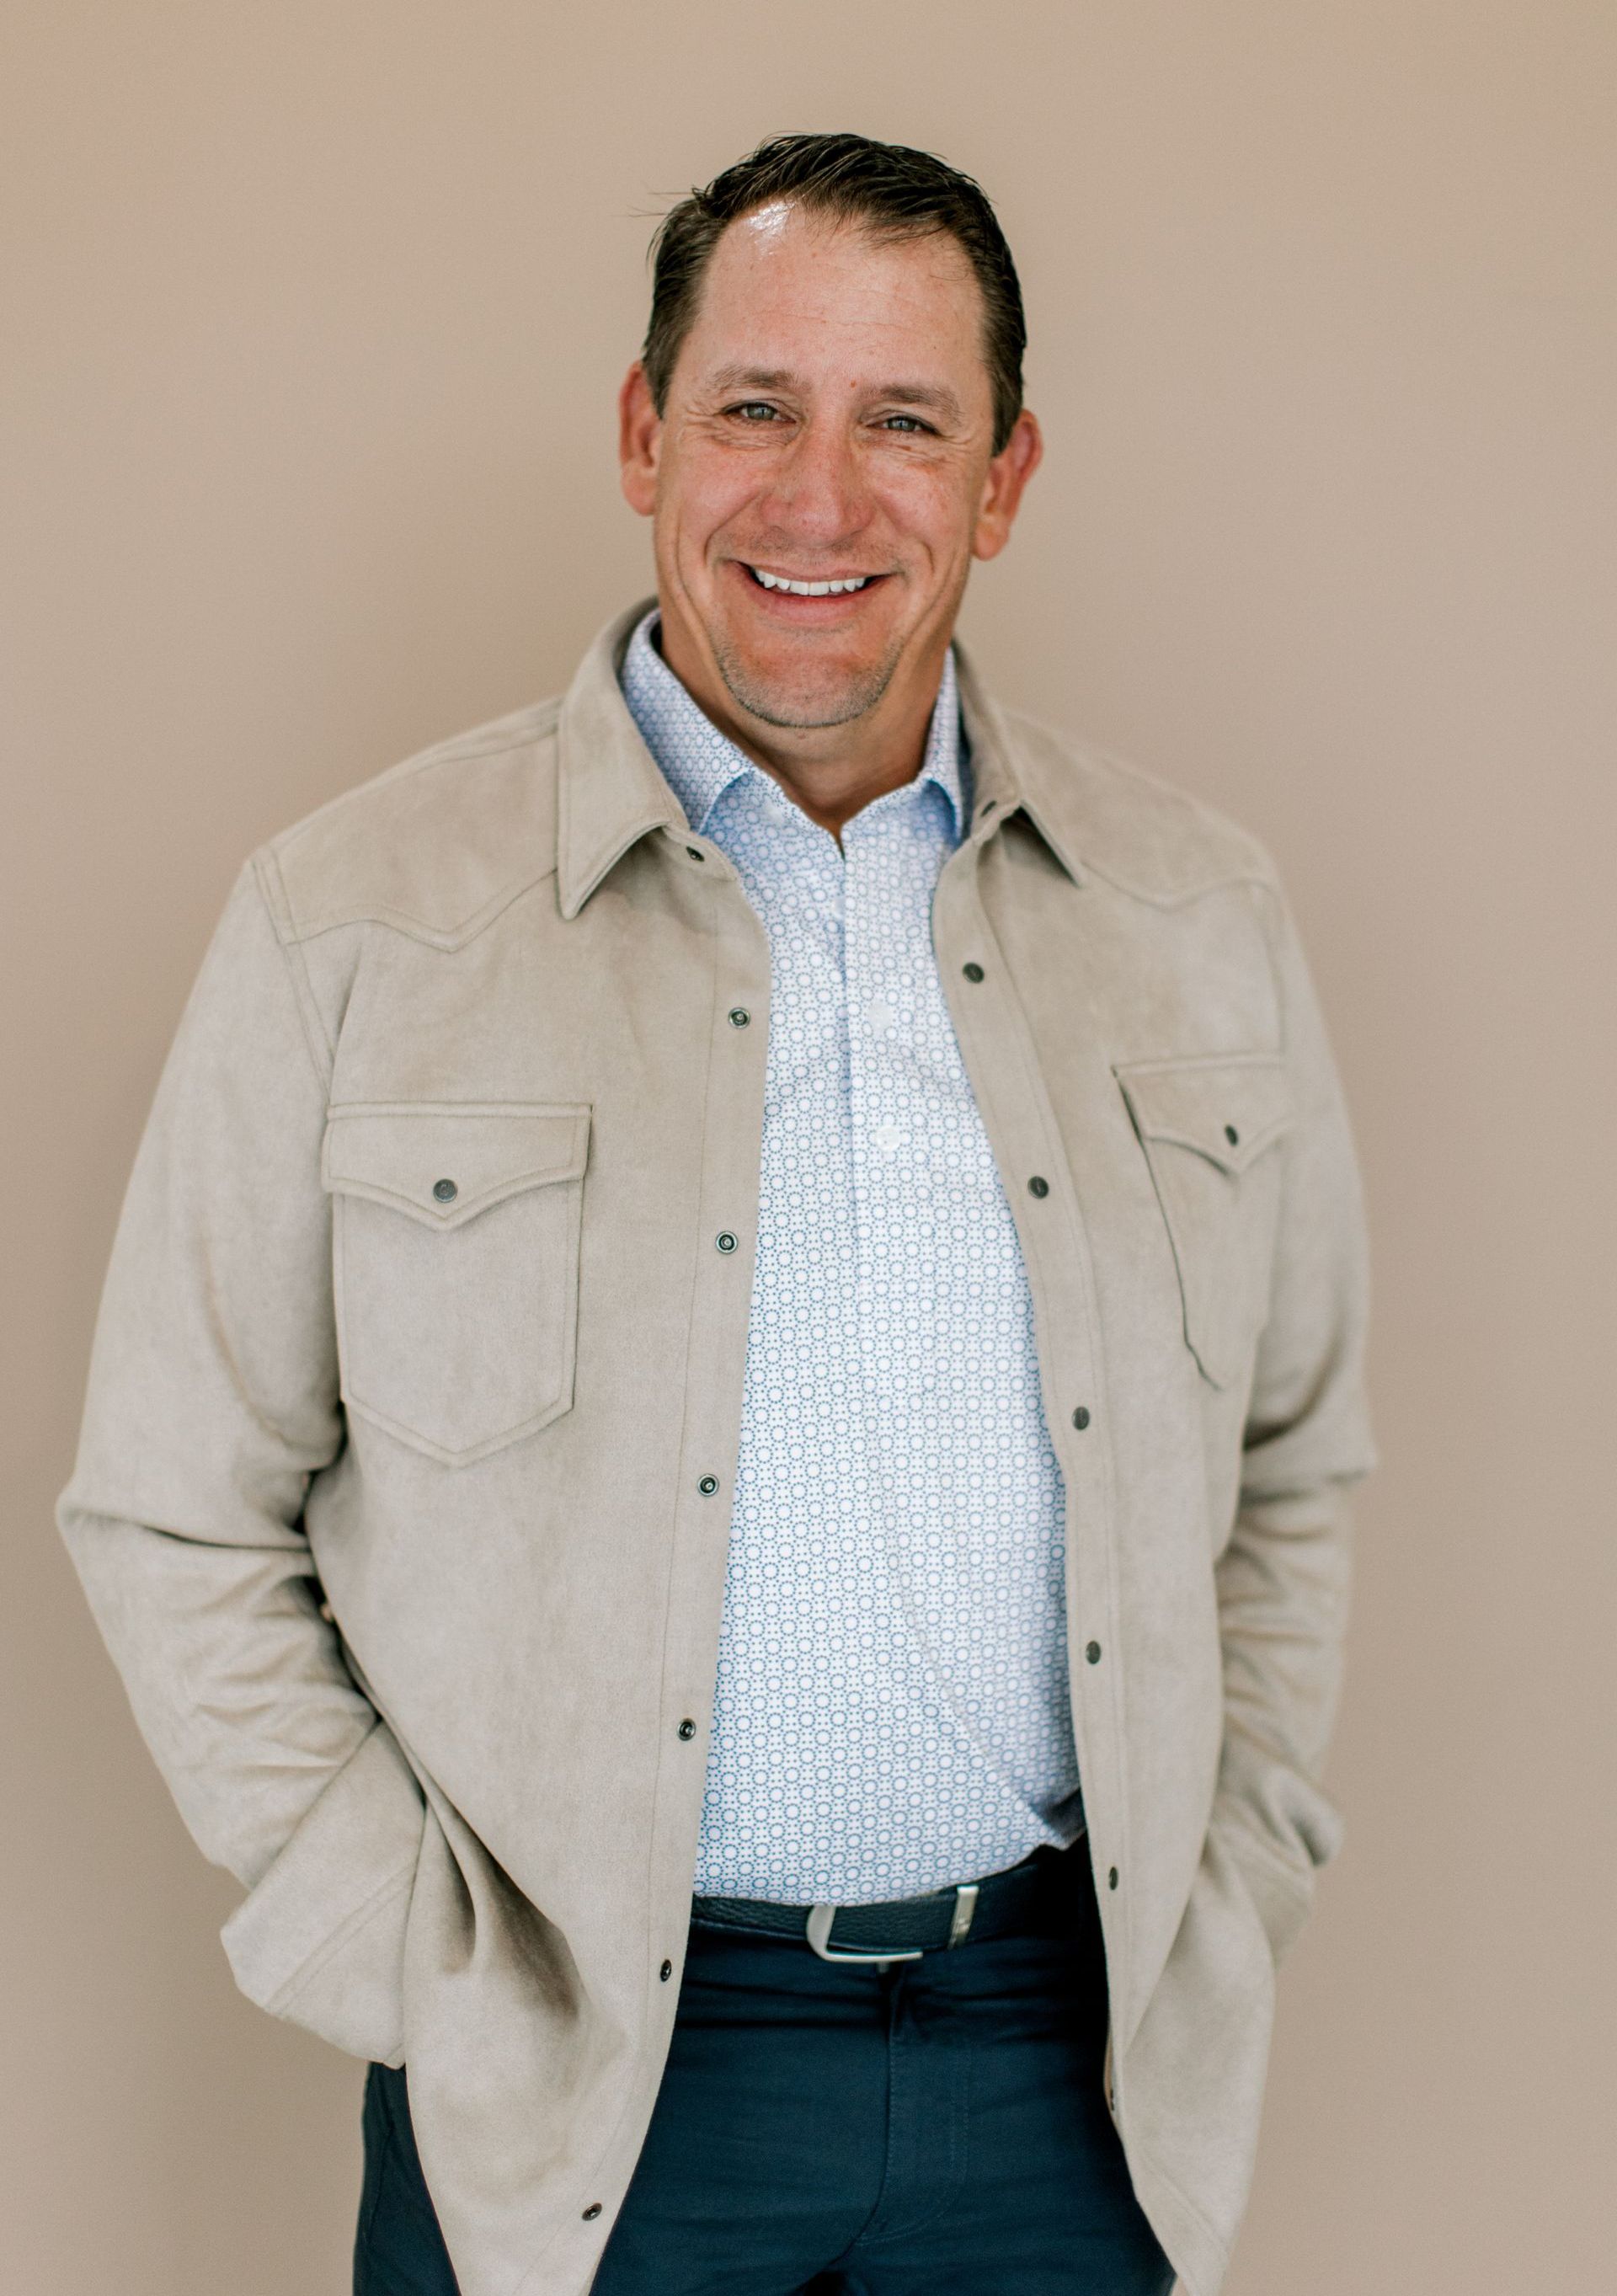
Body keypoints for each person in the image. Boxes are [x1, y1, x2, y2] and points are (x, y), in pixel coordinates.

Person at [58, 131, 1375, 2296]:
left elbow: (1296, 1464)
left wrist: (1235, 1875)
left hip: (1061, 2084)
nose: (818, 500)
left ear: (1007, 477)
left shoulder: (1198, 920)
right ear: (641, 433)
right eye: (756, 406)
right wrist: (417, 1964)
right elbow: (173, 1506)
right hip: (580, 2093)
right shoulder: (354, 922)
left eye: (903, 424)